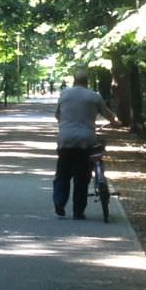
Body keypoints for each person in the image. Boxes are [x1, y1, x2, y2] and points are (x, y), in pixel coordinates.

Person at [54, 68, 114, 220]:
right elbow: (108, 114)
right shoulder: (94, 96)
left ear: (74, 80)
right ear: (87, 81)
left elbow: (57, 115)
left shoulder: (64, 94)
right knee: (82, 177)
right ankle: (78, 212)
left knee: (63, 174)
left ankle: (59, 202)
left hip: (65, 140)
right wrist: (116, 121)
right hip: (86, 141)